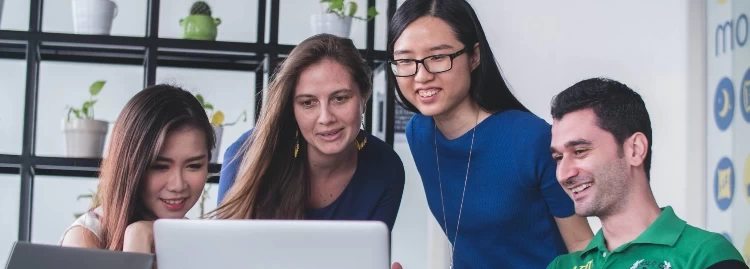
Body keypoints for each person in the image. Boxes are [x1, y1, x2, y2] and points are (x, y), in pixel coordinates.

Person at [388, 0, 593, 268]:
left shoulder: (532, 139)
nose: (421, 75)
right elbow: (472, 243)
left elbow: (581, 245)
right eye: (405, 61)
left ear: (474, 56)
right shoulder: (420, 132)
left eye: (438, 57)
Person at [547, 78, 747, 269]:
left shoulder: (705, 256)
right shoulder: (562, 266)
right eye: (558, 158)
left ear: (635, 149)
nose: (564, 174)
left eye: (580, 151)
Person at [212, 34, 405, 231]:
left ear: (364, 97)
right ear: (292, 109)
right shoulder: (246, 153)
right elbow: (226, 254)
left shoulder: (386, 167)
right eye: (308, 103)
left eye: (340, 98)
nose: (325, 117)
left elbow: (370, 258)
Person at [59, 84, 215, 255]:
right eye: (160, 166)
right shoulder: (84, 240)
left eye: (194, 166)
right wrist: (137, 241)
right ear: (129, 166)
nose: (178, 185)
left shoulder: (195, 240)